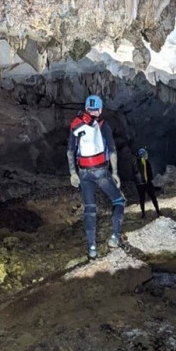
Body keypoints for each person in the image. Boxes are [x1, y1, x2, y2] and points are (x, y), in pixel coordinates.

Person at [67, 94, 125, 259]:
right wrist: (114, 172)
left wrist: (73, 173)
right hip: (100, 171)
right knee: (118, 201)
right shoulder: (103, 125)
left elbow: (70, 150)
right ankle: (114, 237)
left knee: (90, 209)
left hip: (83, 172)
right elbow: (112, 150)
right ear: (99, 110)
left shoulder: (76, 124)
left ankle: (92, 248)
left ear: (86, 108)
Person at [133, 147, 161, 218]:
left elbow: (133, 175)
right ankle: (158, 211)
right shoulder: (146, 163)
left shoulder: (135, 163)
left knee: (142, 199)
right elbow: (150, 174)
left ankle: (143, 214)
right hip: (147, 183)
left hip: (139, 185)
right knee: (153, 197)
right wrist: (150, 180)